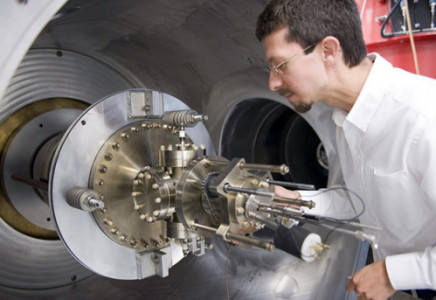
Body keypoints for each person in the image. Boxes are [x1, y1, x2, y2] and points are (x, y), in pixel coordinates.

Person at [255, 0, 436, 299]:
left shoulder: (423, 119)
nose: (273, 82)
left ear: (328, 50)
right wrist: (296, 201)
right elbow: (358, 199)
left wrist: (393, 274)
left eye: (280, 66)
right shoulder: (345, 118)